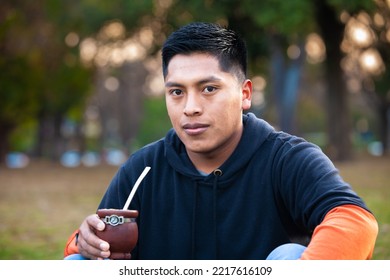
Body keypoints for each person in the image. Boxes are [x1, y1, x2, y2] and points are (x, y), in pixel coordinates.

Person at [64, 22, 378, 260]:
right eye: (177, 92)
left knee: (290, 257)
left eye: (209, 89)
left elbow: (354, 220)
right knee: (79, 262)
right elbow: (86, 240)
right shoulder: (143, 168)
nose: (190, 107)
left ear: (245, 94)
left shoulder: (288, 159)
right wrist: (86, 241)